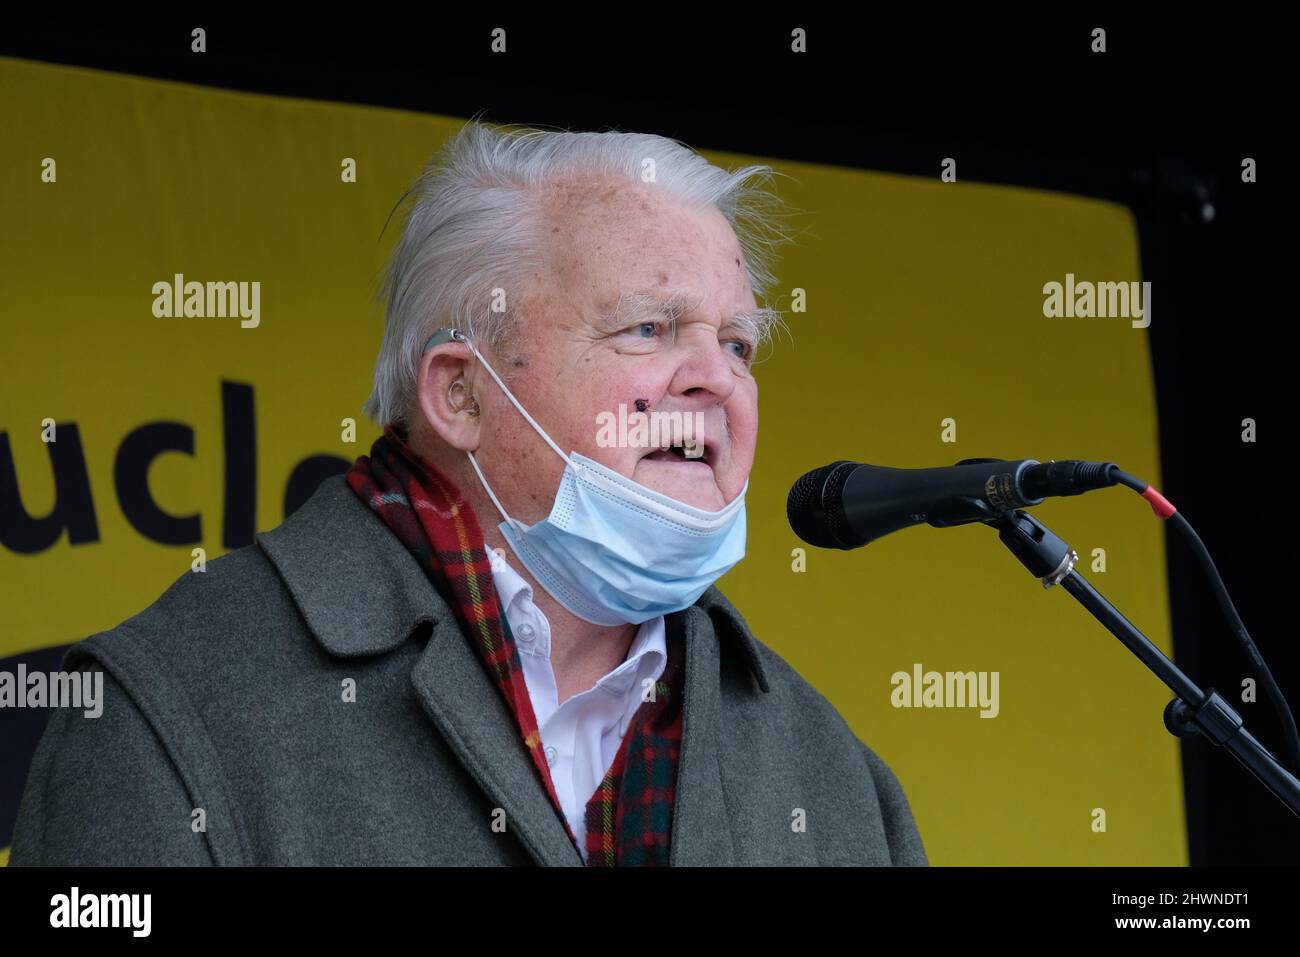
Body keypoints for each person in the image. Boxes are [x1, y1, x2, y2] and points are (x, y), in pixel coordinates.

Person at [10, 120, 927, 866]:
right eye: (648, 328)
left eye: (737, 344)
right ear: (461, 391)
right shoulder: (168, 710)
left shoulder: (829, 771)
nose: (717, 381)